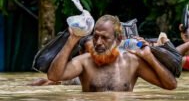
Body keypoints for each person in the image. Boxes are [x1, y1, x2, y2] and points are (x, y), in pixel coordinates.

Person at [47, 15, 177, 92]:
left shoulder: (132, 62)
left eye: (105, 38)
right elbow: (53, 77)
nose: (98, 42)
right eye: (95, 37)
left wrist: (150, 58)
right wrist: (72, 40)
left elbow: (171, 85)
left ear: (118, 40)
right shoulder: (84, 62)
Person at [28, 35, 93, 86]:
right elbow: (55, 80)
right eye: (88, 53)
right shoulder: (75, 69)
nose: (92, 56)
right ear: (81, 52)